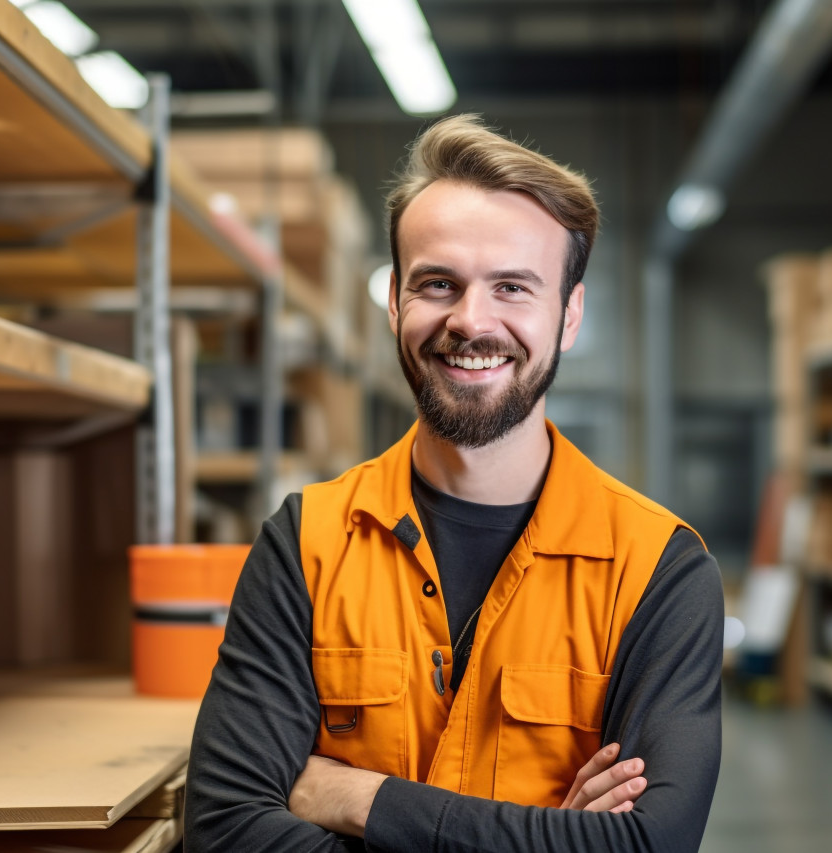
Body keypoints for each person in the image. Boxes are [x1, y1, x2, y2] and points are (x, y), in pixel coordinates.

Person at [184, 115, 724, 852]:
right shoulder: (305, 542)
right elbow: (226, 829)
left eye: (512, 287)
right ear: (394, 304)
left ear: (568, 315)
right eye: (438, 283)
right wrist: (551, 838)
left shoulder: (658, 568)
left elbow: (650, 845)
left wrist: (357, 796)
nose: (472, 321)